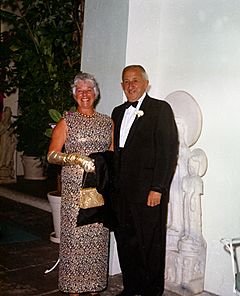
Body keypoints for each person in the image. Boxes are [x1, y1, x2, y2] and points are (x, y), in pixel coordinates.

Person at [111, 65, 179, 296]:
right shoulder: (117, 112)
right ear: (122, 86)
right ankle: (132, 287)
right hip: (122, 193)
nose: (130, 85)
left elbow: (168, 152)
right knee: (126, 242)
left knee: (150, 244)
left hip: (148, 192)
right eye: (126, 81)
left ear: (145, 84)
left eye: (135, 80)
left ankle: (152, 291)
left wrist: (158, 187)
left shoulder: (160, 109)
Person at [47, 72, 113, 296]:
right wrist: (76, 158)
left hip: (99, 189)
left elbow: (112, 155)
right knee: (75, 241)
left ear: (96, 94)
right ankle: (74, 289)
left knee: (97, 239)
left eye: (89, 90)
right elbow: (52, 155)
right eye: (80, 90)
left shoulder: (107, 122)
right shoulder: (67, 121)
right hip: (75, 191)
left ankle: (94, 288)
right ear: (75, 95)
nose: (85, 94)